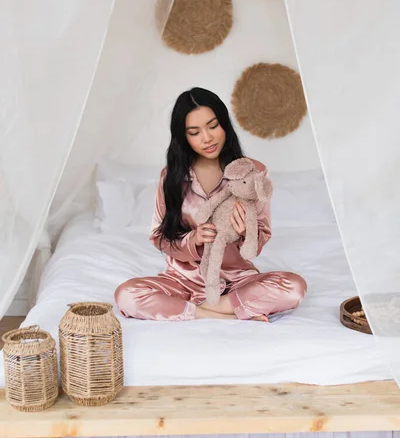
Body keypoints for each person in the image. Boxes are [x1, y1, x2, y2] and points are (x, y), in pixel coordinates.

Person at [115, 88, 306, 321]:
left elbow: (260, 238)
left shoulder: (253, 172)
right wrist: (192, 241)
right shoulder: (171, 177)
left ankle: (199, 308)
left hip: (238, 280)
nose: (207, 138)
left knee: (294, 287)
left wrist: (247, 231)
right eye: (195, 132)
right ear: (183, 137)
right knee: (126, 295)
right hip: (182, 282)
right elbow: (159, 237)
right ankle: (221, 314)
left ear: (224, 124)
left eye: (213, 126)